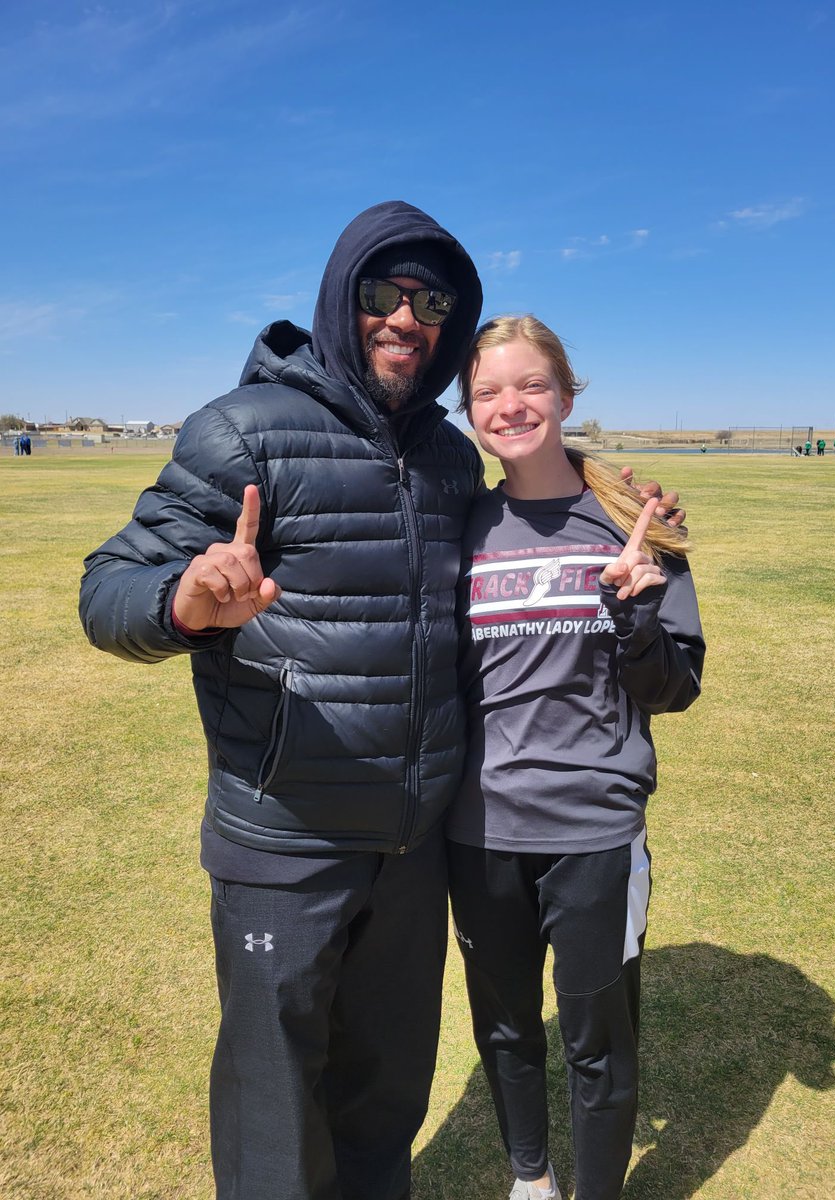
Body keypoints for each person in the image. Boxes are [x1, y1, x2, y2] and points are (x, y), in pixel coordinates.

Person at [79, 203, 685, 1200]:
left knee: (384, 1101)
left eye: (432, 300)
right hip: (287, 839)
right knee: (276, 1109)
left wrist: (633, 506)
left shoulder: (450, 459)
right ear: (339, 299)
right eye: (381, 294)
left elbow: (534, 505)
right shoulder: (241, 431)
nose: (406, 317)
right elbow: (110, 587)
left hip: (414, 849)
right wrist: (181, 601)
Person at [445, 316, 705, 1200]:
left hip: (595, 831)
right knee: (508, 1027)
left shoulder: (635, 520)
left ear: (564, 392)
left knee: (598, 1039)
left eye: (530, 385)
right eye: (487, 391)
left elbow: (676, 687)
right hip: (478, 829)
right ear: (467, 407)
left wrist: (636, 610)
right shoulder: (462, 525)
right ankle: (530, 1179)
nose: (510, 405)